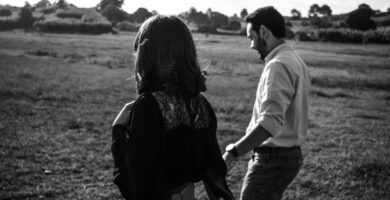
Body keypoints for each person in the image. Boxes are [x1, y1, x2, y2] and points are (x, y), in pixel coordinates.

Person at [111, 15, 234, 200]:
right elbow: (214, 168)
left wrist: (118, 132)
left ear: (147, 55)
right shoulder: (200, 105)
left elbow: (135, 183)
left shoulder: (149, 106)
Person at [222, 6, 311, 200]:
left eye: (251, 37)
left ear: (263, 32)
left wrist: (233, 152)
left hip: (273, 159)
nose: (251, 45)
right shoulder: (295, 60)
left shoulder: (278, 65)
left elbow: (269, 123)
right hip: (286, 156)